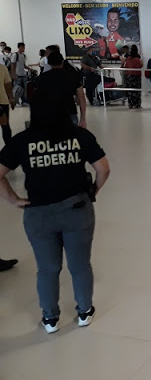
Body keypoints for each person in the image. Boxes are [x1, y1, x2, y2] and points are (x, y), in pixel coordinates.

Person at [0, 90, 110, 333]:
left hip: (38, 213)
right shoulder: (80, 136)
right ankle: (84, 311)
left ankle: (50, 318)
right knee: (80, 265)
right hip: (77, 209)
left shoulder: (22, 140)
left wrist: (14, 200)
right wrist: (93, 191)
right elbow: (103, 168)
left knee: (47, 268)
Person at [33, 51, 87, 128]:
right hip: (69, 112)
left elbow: (37, 100)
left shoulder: (41, 78)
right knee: (71, 139)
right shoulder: (72, 76)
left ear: (49, 63)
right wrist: (83, 118)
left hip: (49, 114)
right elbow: (82, 97)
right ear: (62, 62)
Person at [10, 42, 30, 106]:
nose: (23, 48)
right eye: (22, 47)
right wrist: (13, 74)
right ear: (19, 47)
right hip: (17, 75)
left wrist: (29, 69)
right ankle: (16, 102)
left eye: (24, 47)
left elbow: (23, 65)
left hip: (23, 74)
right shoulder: (15, 55)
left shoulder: (23, 55)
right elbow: (12, 65)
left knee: (24, 89)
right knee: (17, 89)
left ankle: (24, 101)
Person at [0, 60, 15, 145]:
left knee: (5, 126)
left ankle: (9, 149)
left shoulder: (2, 68)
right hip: (2, 102)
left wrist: (11, 98)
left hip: (3, 101)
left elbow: (7, 84)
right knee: (5, 125)